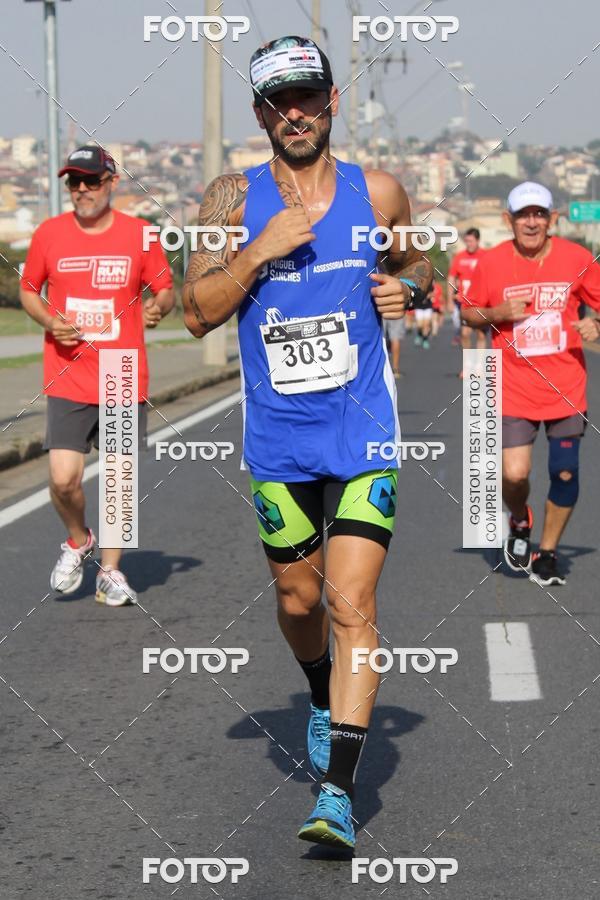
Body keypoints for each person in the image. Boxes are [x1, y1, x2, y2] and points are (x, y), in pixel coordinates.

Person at [182, 36, 432, 848]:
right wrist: (259, 250)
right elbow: (195, 312)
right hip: (279, 445)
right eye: (278, 100)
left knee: (349, 602)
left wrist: (410, 289)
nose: (295, 111)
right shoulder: (229, 197)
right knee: (298, 600)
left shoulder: (381, 191)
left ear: (332, 100)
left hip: (363, 434)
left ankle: (337, 793)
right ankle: (319, 697)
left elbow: (424, 265)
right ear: (260, 113)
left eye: (308, 95)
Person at [20, 146, 174, 606]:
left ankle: (110, 571)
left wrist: (157, 308)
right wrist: (48, 319)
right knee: (63, 479)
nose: (82, 190)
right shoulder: (49, 234)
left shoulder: (140, 234)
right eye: (74, 182)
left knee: (118, 480)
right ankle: (77, 539)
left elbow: (164, 289)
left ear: (112, 183)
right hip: (68, 372)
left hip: (122, 370)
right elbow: (30, 290)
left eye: (90, 181)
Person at [462, 181, 600, 586]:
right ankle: (520, 521)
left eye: (540, 213)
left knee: (565, 473)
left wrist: (595, 322)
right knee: (515, 475)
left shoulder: (577, 257)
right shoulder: (491, 262)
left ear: (552, 219)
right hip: (513, 388)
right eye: (523, 214)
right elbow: (468, 314)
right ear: (509, 220)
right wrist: (498, 311)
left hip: (566, 388)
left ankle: (549, 551)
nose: (532, 222)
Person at [447, 228, 487, 375]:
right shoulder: (459, 257)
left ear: (477, 240)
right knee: (464, 333)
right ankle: (468, 366)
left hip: (482, 302)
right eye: (466, 241)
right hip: (465, 303)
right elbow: (451, 278)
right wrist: (450, 299)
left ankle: (480, 366)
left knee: (481, 335)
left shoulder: (485, 256)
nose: (468, 244)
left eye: (471, 241)